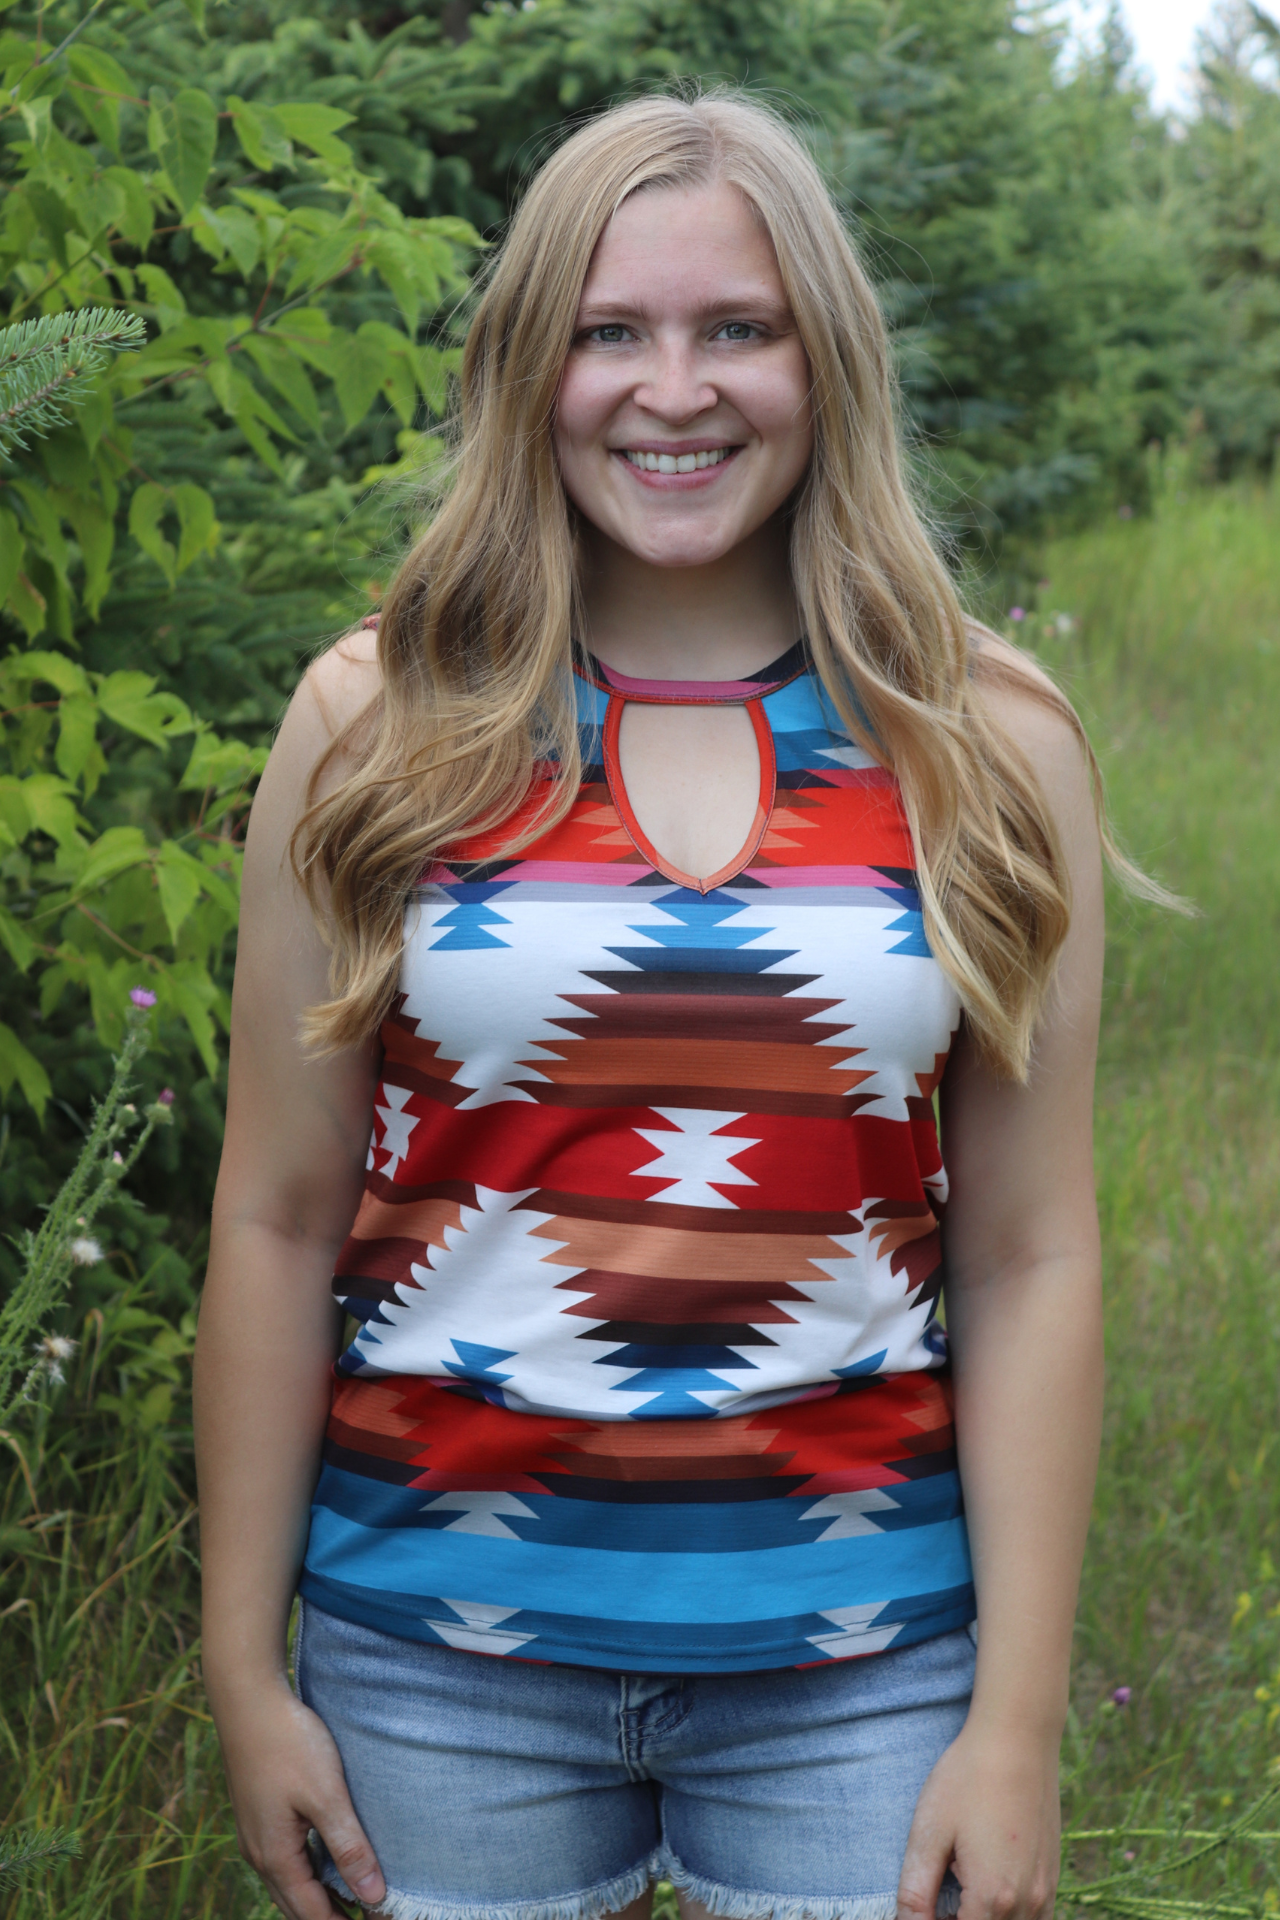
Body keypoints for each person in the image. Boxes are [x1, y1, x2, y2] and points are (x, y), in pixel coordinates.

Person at [195, 89, 1113, 1920]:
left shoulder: (986, 744)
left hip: (869, 1672)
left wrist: (1016, 1722)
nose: (672, 389)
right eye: (610, 331)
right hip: (430, 1661)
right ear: (531, 365)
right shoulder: (372, 726)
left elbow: (1031, 1253)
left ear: (823, 361)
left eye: (736, 331)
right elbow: (277, 1215)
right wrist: (243, 1667)